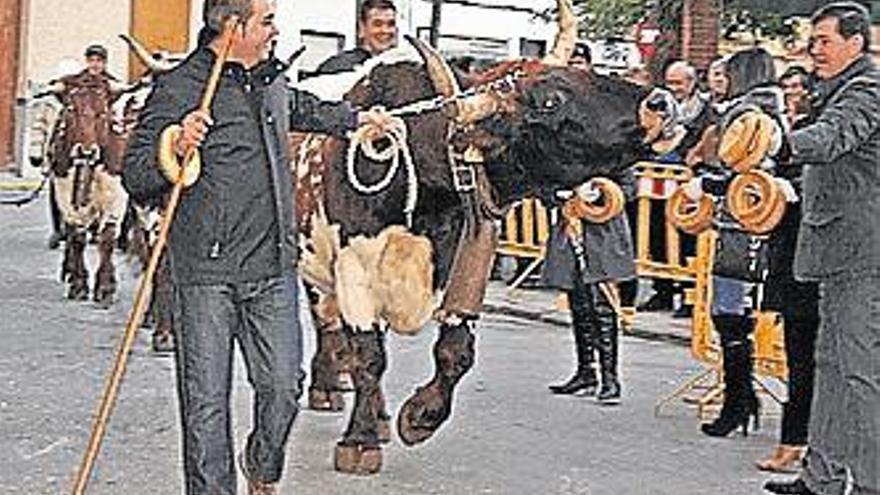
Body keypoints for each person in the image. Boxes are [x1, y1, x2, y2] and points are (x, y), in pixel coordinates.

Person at [122, 0, 390, 493]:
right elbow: (135, 174)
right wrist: (175, 143)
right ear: (231, 25)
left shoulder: (269, 80)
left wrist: (358, 120)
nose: (275, 29)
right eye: (266, 20)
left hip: (272, 270)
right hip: (205, 274)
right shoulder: (181, 87)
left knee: (285, 389)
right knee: (205, 405)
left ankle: (261, 465)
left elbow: (306, 108)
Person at [757, 3, 880, 494]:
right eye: (813, 41)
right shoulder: (838, 89)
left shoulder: (867, 89)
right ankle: (821, 478)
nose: (815, 50)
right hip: (840, 255)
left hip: (862, 255)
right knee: (830, 370)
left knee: (859, 375)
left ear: (857, 41)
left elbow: (832, 139)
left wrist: (777, 144)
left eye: (824, 40)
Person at [683, 47, 783, 438]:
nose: (720, 82)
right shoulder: (771, 113)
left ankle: (738, 403)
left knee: (729, 314)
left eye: (728, 75)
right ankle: (740, 401)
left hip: (741, 225)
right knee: (735, 314)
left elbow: (747, 173)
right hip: (755, 223)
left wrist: (706, 184)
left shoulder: (747, 116)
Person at [543, 50, 634, 404]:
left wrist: (598, 193)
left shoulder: (615, 127)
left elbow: (629, 183)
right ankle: (585, 371)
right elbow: (543, 175)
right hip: (570, 224)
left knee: (602, 301)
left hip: (603, 228)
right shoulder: (555, 130)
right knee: (578, 301)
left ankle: (611, 378)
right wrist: (559, 192)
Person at [753, 67, 820, 474]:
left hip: (818, 263)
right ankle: (795, 441)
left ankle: (798, 442)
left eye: (801, 88)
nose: (794, 94)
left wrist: (790, 192)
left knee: (812, 360)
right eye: (788, 87)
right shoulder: (778, 131)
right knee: (800, 357)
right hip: (790, 260)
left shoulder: (823, 133)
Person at [313, 0, 397, 75]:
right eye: (377, 24)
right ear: (362, 28)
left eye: (391, 24)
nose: (385, 30)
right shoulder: (337, 68)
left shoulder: (400, 69)